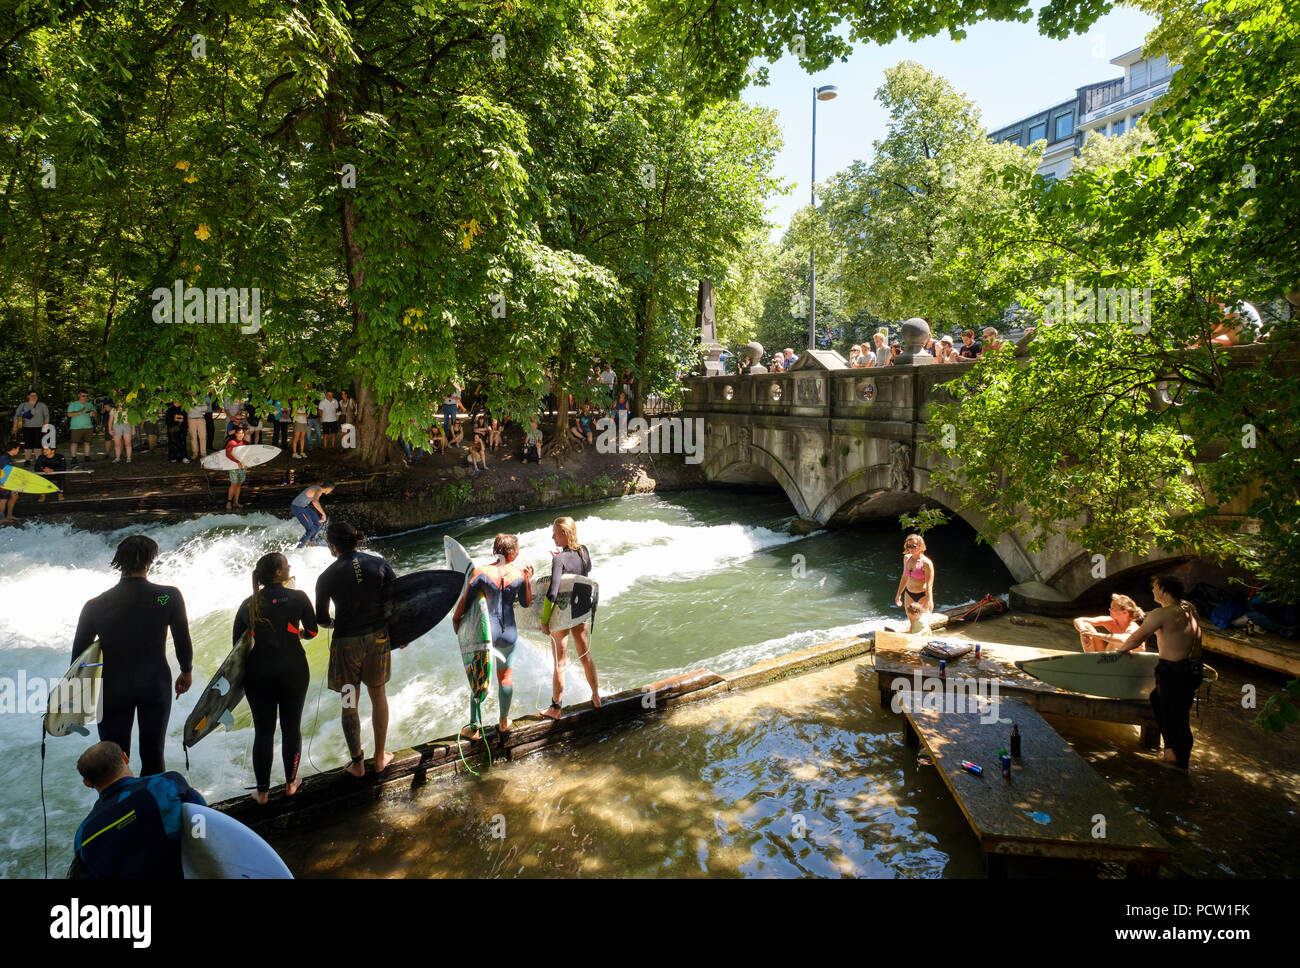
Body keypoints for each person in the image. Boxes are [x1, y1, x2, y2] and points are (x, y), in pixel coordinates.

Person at [70, 535, 193, 776]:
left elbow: (78, 659)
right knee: (153, 754)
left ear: (120, 562)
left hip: (113, 688)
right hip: (154, 684)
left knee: (114, 759)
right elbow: (182, 639)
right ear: (150, 561)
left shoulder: (95, 605)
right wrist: (186, 670)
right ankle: (155, 808)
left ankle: (120, 809)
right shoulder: (168, 596)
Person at [233, 553, 318, 803]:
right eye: (285, 564)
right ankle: (291, 784)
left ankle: (262, 792)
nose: (289, 565)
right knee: (291, 729)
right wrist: (295, 633)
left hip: (258, 674)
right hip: (294, 670)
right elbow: (312, 631)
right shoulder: (299, 597)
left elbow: (237, 648)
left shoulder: (248, 604)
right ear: (279, 573)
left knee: (264, 732)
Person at [315, 521, 397, 777]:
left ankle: (357, 762)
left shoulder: (327, 576)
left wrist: (335, 623)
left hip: (347, 644)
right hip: (378, 639)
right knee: (378, 695)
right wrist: (401, 633)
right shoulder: (379, 564)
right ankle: (381, 756)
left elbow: (320, 618)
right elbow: (397, 600)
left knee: (349, 701)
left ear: (332, 545)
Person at [67, 741, 204, 879]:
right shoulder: (166, 784)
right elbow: (203, 817)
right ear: (125, 758)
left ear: (87, 783)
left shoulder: (83, 835)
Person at [1110, 575, 1204, 769]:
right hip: (1194, 668)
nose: (1152, 591)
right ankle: (1173, 754)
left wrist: (1118, 652)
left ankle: (1176, 763)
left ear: (1162, 589)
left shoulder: (1160, 614)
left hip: (1174, 671)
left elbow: (1137, 637)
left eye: (1154, 587)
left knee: (1175, 717)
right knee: (1159, 701)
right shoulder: (1189, 608)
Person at [452, 534, 533, 739]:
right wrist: (529, 580)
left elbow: (466, 602)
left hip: (485, 633)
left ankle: (474, 727)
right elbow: (526, 603)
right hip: (509, 634)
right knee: (505, 676)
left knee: (479, 675)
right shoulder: (519, 575)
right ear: (513, 553)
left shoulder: (481, 572)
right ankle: (504, 722)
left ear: (495, 550)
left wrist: (456, 620)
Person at [540, 516, 599, 719]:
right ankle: (596, 696)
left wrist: (544, 620)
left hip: (563, 615)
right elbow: (585, 571)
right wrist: (563, 556)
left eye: (555, 533)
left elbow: (553, 592)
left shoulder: (559, 559)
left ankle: (556, 708)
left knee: (560, 662)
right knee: (585, 656)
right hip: (580, 611)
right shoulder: (584, 551)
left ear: (564, 534)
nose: (553, 536)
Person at [1074, 594, 1146, 652]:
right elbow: (1079, 620)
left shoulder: (1133, 627)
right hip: (1110, 658)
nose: (1109, 609)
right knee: (1086, 626)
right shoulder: (1111, 621)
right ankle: (1091, 661)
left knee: (1117, 642)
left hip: (1130, 661)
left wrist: (1094, 635)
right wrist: (1083, 631)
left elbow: (1123, 640)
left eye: (1113, 608)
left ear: (1124, 612)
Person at [893, 533, 935, 617]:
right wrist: (898, 594)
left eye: (914, 546)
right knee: (912, 622)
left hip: (922, 595)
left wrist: (927, 601)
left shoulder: (926, 563)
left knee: (921, 622)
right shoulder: (906, 558)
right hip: (909, 594)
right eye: (909, 546)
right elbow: (904, 577)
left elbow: (929, 586)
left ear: (920, 546)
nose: (911, 548)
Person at [290, 480, 333, 548]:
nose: (330, 492)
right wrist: (323, 514)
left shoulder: (317, 488)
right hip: (297, 508)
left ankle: (311, 541)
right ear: (329, 488)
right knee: (311, 529)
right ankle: (298, 548)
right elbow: (315, 502)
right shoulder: (318, 490)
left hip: (305, 507)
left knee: (318, 523)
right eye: (331, 490)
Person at [12, 390, 50, 465]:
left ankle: (38, 460)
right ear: (28, 396)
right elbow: (16, 416)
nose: (33, 397)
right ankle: (27, 460)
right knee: (27, 445)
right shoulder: (23, 405)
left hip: (39, 428)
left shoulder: (42, 405)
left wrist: (45, 427)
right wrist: (15, 427)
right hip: (27, 428)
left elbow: (46, 416)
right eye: (32, 395)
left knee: (38, 445)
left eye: (35, 395)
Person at [224, 426, 250, 510]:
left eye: (242, 433)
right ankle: (229, 502)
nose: (241, 435)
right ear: (236, 434)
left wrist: (248, 464)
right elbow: (227, 454)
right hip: (234, 466)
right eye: (239, 433)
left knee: (239, 484)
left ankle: (236, 502)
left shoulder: (245, 443)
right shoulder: (232, 442)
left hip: (242, 467)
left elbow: (248, 455)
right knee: (234, 484)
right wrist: (237, 461)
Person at [67, 390, 95, 465]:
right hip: (76, 427)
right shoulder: (73, 404)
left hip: (88, 426)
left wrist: (93, 414)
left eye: (86, 396)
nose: (85, 397)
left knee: (87, 442)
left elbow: (95, 413)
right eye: (83, 396)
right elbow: (69, 414)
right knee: (74, 443)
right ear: (79, 395)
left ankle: (87, 457)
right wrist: (81, 412)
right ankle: (73, 458)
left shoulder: (89, 404)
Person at [1, 438, 22, 522]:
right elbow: (1, 471)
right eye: (18, 449)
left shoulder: (8, 457)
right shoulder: (4, 458)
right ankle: (1, 518)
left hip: (8, 482)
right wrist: (2, 483)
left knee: (15, 496)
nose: (18, 451)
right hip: (3, 482)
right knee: (3, 499)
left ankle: (9, 515)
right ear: (13, 449)